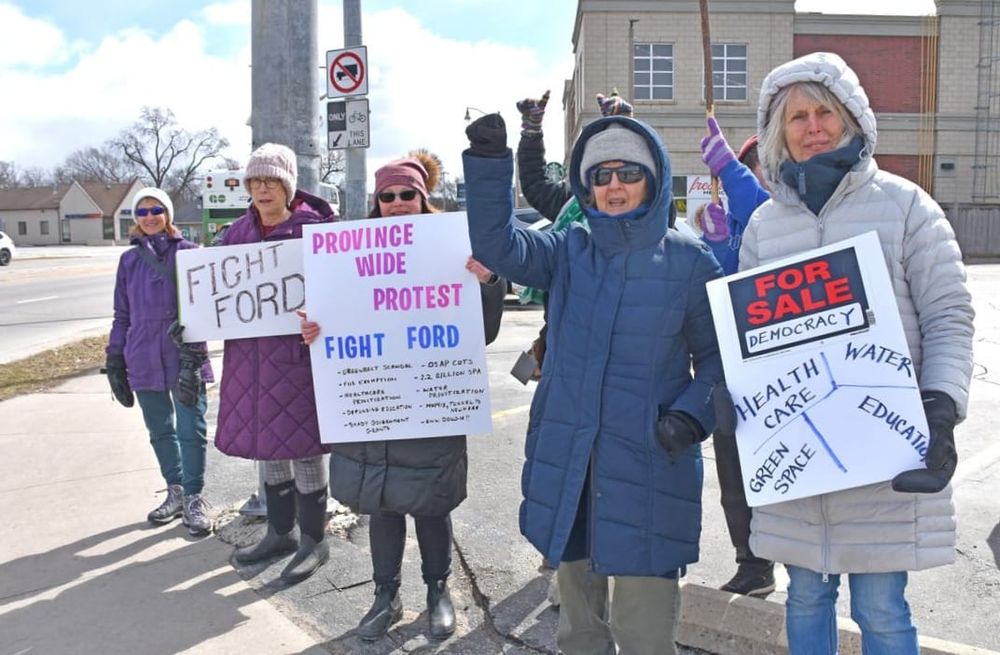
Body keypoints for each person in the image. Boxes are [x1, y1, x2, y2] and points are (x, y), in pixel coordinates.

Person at [731, 51, 975, 654]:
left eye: (825, 112)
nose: (813, 126)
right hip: (801, 452)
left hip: (883, 450)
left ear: (851, 118)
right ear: (778, 132)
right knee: (806, 597)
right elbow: (750, 341)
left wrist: (941, 405)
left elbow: (948, 315)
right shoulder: (764, 226)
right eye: (797, 117)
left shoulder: (906, 206)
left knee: (881, 606)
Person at [463, 112, 724, 654]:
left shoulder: (690, 261)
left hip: (650, 466)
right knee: (578, 629)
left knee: (644, 632)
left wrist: (689, 418)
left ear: (653, 179)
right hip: (571, 466)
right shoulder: (567, 250)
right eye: (600, 176)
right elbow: (498, 245)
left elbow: (722, 362)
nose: (613, 186)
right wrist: (491, 164)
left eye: (627, 173)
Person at [301, 151, 505, 642]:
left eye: (406, 194)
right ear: (376, 201)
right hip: (374, 402)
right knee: (381, 504)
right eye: (386, 196)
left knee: (431, 503)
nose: (396, 203)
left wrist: (489, 282)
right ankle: (384, 596)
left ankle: (438, 591)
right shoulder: (349, 253)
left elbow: (487, 331)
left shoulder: (454, 247)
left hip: (431, 400)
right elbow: (335, 316)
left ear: (423, 197)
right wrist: (314, 330)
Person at [216, 143, 336, 584]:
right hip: (249, 359)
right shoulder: (236, 235)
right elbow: (212, 290)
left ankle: (313, 540)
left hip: (298, 357)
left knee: (303, 448)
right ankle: (279, 532)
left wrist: (320, 318)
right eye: (254, 182)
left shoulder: (315, 231)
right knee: (269, 448)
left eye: (270, 181)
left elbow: (341, 291)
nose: (262, 190)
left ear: (288, 186)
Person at [693, 118, 777, 598]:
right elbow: (720, 292)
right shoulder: (731, 219)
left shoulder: (789, 213)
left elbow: (766, 212)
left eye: (760, 165)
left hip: (779, 368)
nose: (755, 173)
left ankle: (802, 561)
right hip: (731, 368)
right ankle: (753, 564)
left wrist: (728, 166)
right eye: (745, 167)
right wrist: (720, 247)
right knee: (733, 475)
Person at [105, 186, 213, 537]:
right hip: (142, 356)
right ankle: (176, 490)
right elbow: (122, 314)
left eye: (156, 210)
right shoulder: (129, 260)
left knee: (191, 430)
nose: (149, 217)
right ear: (135, 219)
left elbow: (205, 310)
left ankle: (196, 497)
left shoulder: (190, 253)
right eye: (142, 212)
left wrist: (195, 356)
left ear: (168, 215)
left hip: (183, 356)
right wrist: (115, 357)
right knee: (160, 430)